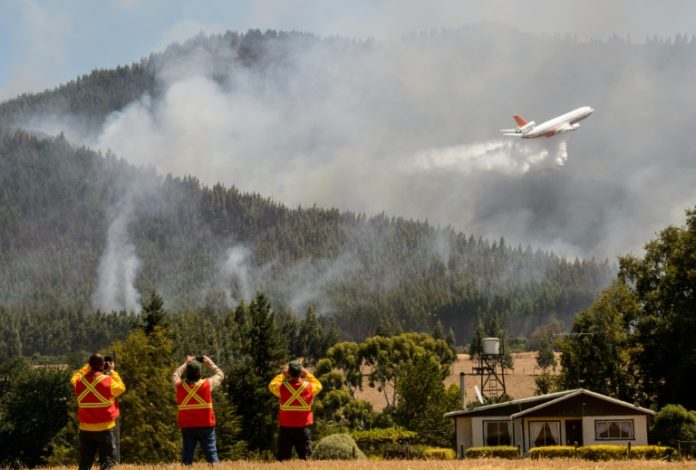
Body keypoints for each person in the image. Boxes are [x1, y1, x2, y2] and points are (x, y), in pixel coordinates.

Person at [71, 353, 126, 470]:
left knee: (85, 462)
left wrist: (88, 367)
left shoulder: (79, 382)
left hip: (85, 428)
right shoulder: (108, 380)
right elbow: (121, 388)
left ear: (90, 365)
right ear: (102, 365)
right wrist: (112, 371)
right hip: (105, 428)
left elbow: (74, 377)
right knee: (106, 461)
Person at [172, 355, 225, 465]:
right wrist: (210, 363)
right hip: (206, 426)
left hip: (187, 427)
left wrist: (186, 363)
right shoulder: (207, 384)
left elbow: (175, 374)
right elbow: (220, 375)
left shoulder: (179, 386)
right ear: (199, 374)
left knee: (187, 458)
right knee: (212, 455)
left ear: (187, 374)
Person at [268, 360, 323, 460]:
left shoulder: (282, 387)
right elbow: (319, 385)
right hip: (303, 428)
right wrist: (307, 374)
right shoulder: (309, 387)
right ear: (300, 372)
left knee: (283, 461)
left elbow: (272, 385)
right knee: (306, 460)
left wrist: (282, 375)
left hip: (285, 428)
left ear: (289, 372)